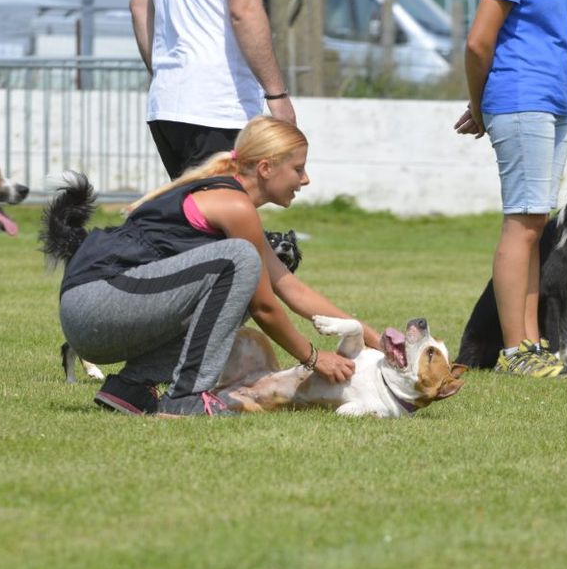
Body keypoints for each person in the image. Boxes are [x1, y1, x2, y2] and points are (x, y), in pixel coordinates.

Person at [59, 116, 381, 418]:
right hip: (94, 308)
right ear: (266, 168)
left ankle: (131, 387)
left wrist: (380, 342)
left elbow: (289, 287)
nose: (305, 179)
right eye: (298, 169)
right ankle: (186, 396)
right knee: (240, 261)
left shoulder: (232, 201)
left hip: (98, 313)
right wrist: (312, 358)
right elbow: (265, 306)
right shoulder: (235, 205)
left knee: (241, 278)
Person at [454, 0, 567, 379]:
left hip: (552, 103)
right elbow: (478, 42)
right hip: (521, 99)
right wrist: (479, 104)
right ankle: (514, 352)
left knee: (536, 223)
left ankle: (532, 347)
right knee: (522, 222)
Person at [130, 0, 297, 180]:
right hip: (218, 106)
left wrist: (163, 73)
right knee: (222, 208)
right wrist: (277, 96)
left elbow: (139, 6)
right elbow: (244, 11)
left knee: (191, 209)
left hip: (166, 105)